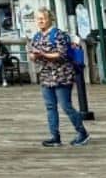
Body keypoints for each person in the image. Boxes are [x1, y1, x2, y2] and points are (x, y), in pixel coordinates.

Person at [29, 8, 88, 147]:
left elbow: (62, 54)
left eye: (43, 18)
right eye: (38, 19)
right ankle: (54, 136)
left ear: (50, 19)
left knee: (66, 106)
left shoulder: (59, 35)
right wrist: (34, 56)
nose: (40, 21)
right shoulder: (36, 36)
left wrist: (42, 54)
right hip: (45, 76)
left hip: (62, 75)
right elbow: (32, 54)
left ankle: (82, 132)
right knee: (50, 107)